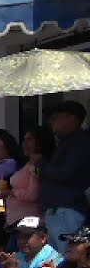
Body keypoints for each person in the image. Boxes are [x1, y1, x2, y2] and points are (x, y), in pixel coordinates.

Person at [40, 101, 90, 252]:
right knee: (56, 260)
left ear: (72, 119)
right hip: (57, 211)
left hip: (68, 210)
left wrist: (42, 166)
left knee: (67, 255)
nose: (51, 121)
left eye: (56, 117)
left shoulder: (80, 142)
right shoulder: (66, 143)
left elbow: (65, 172)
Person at [0, 126, 54, 232]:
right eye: (24, 140)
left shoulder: (40, 165)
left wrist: (10, 192)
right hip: (15, 222)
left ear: (40, 141)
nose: (25, 143)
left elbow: (33, 195)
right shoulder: (27, 164)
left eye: (29, 139)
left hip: (28, 223)